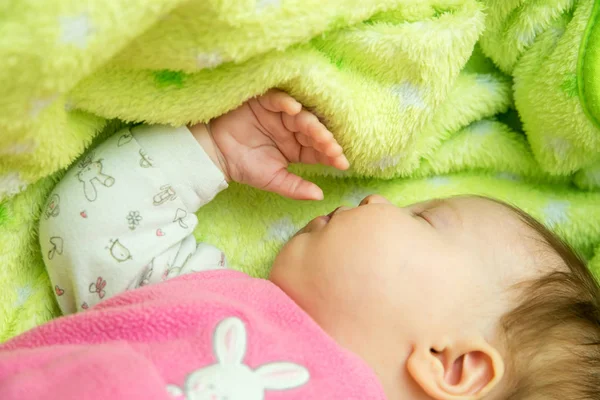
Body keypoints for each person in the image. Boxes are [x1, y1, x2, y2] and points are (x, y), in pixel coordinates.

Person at [3, 90, 598, 400]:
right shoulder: (214, 298)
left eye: (423, 220)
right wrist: (213, 151)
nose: (379, 201)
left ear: (452, 363)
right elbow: (92, 228)